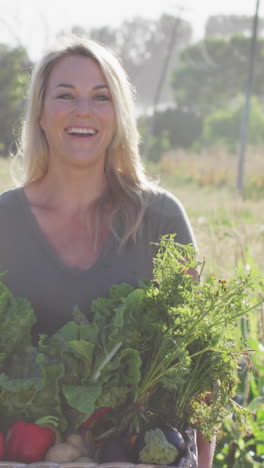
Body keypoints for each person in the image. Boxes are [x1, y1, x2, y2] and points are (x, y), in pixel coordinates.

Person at [0, 36, 215, 467]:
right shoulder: (5, 218)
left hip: (138, 453)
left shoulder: (161, 218)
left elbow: (198, 365)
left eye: (101, 97)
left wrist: (201, 461)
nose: (84, 110)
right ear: (40, 113)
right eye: (66, 95)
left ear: (118, 115)